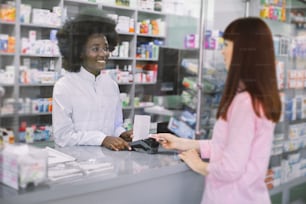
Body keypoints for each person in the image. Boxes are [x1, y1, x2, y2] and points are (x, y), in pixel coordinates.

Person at [153, 17, 281, 204]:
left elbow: (230, 168)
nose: (222, 51)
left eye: (227, 44)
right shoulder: (256, 98)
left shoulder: (245, 103)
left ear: (244, 51)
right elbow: (227, 147)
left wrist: (198, 165)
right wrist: (182, 143)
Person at [52, 8, 132, 151]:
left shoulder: (111, 85)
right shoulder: (64, 86)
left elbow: (114, 125)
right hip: (78, 163)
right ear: (80, 52)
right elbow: (63, 136)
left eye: (106, 48)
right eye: (95, 49)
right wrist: (101, 139)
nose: (103, 54)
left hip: (110, 162)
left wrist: (122, 133)